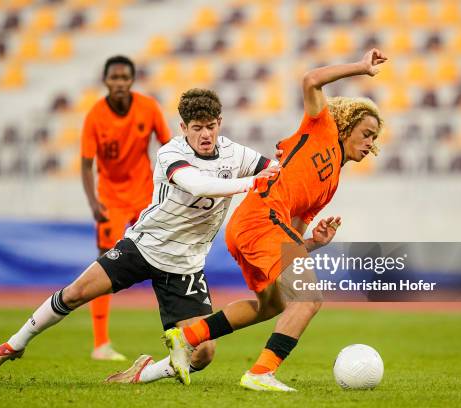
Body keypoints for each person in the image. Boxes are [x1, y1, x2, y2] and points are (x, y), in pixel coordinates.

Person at [0, 88, 279, 382]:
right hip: (144, 246)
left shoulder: (234, 154)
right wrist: (253, 182)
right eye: (197, 127)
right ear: (183, 127)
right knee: (76, 293)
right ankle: (14, 344)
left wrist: (289, 161)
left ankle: (141, 375)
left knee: (203, 354)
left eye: (210, 127)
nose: (205, 135)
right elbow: (198, 185)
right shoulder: (171, 152)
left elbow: (277, 170)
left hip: (185, 265)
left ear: (219, 124)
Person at [165, 49, 387, 392]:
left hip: (253, 226)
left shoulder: (330, 186)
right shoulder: (322, 126)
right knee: (309, 297)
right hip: (259, 219)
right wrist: (361, 68)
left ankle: (188, 337)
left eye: (375, 138)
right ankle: (261, 372)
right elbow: (310, 79)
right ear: (348, 124)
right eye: (367, 132)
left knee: (272, 304)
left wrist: (313, 243)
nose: (371, 143)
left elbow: (292, 238)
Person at [81, 55, 171, 360]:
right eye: (114, 78)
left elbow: (168, 147)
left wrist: (171, 187)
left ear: (131, 80)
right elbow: (86, 164)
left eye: (124, 78)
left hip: (145, 195)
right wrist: (94, 202)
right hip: (110, 199)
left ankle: (176, 329)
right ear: (105, 81)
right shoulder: (95, 116)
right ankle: (100, 343)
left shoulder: (149, 108)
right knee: (103, 263)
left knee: (166, 254)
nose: (119, 83)